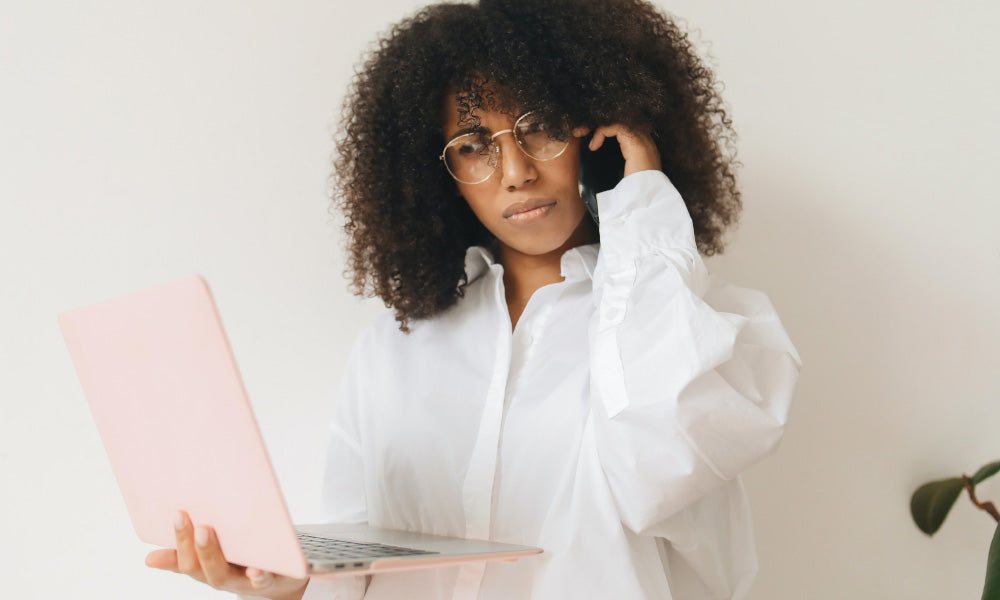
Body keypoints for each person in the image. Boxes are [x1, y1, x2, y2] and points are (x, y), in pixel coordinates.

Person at [146, 0, 801, 598]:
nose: (516, 172)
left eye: (539, 128)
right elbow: (356, 570)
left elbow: (661, 459)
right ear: (440, 177)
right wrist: (286, 586)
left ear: (594, 131)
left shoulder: (698, 328)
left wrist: (643, 199)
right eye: (473, 145)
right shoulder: (394, 348)